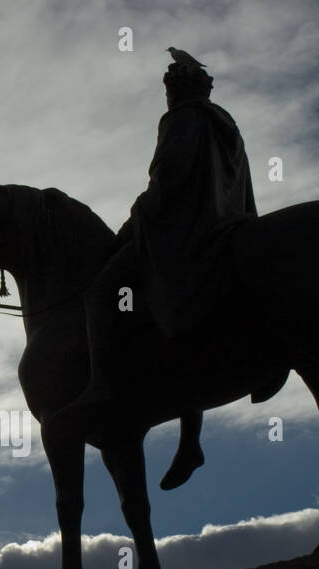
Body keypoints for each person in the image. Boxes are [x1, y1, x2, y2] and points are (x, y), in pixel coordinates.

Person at [63, 47, 256, 421]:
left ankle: (102, 386)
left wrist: (130, 225)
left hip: (181, 234)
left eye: (168, 90)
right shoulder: (227, 124)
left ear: (177, 91)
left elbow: (165, 185)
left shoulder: (180, 119)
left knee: (101, 293)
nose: (167, 97)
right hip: (226, 226)